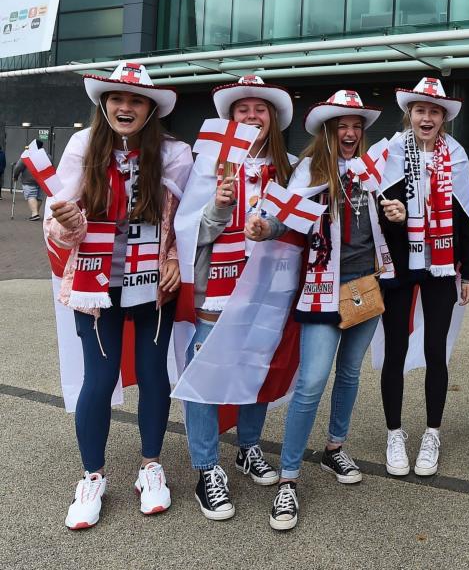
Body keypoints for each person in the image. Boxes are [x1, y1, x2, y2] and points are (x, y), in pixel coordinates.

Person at [246, 89, 405, 530]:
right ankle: (289, 480)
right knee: (312, 381)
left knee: (351, 373)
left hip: (366, 285)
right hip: (321, 289)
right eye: (342, 126)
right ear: (327, 131)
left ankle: (334, 448)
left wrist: (395, 210)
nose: (351, 132)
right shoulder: (308, 170)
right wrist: (265, 227)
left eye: (356, 126)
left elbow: (386, 211)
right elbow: (286, 217)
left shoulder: (371, 170)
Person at [44, 62, 193, 529]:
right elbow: (59, 223)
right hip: (96, 284)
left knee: (153, 375)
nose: (125, 107)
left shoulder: (174, 153)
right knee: (99, 377)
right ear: (103, 104)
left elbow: (186, 222)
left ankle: (151, 466)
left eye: (135, 100)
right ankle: (92, 476)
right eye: (116, 99)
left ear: (150, 109)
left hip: (153, 284)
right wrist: (69, 226)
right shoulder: (81, 146)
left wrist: (174, 259)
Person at [176, 75, 296, 521]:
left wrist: (273, 228)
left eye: (259, 109)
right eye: (242, 109)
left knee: (257, 370)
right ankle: (207, 469)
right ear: (229, 118)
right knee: (206, 376)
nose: (251, 115)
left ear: (273, 118)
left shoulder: (289, 168)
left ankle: (248, 448)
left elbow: (298, 226)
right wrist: (220, 207)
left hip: (267, 289)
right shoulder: (209, 163)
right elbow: (191, 234)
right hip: (218, 290)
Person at [378, 77, 469, 478]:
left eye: (435, 111)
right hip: (397, 264)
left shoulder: (456, 154)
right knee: (395, 349)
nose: (427, 117)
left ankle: (432, 432)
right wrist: (394, 216)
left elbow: (465, 215)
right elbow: (371, 203)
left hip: (440, 264)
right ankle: (394, 432)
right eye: (420, 110)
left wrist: (467, 272)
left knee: (437, 349)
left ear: (443, 119)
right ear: (409, 114)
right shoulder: (388, 150)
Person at [13, 142, 43, 220]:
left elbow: (18, 166)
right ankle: (36, 212)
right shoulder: (46, 155)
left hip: (28, 180)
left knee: (31, 196)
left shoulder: (27, 155)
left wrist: (15, 176)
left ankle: (35, 214)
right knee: (39, 197)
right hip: (42, 180)